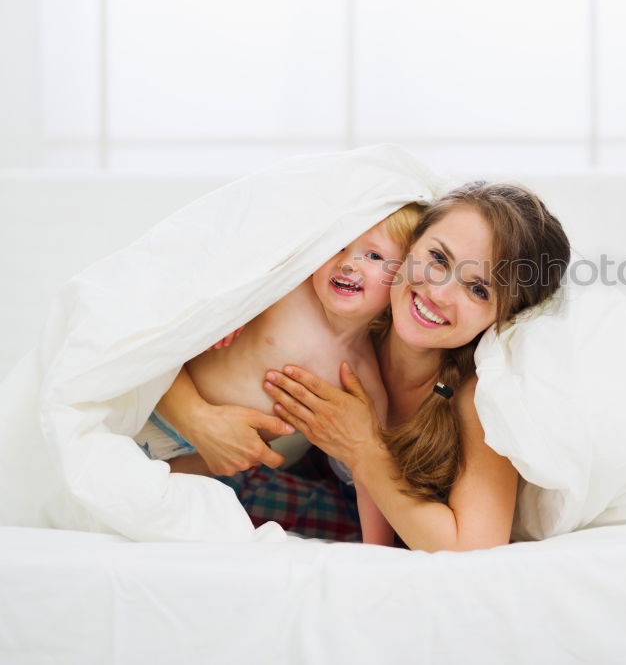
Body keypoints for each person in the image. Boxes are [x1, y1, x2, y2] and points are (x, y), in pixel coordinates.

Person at [162, 181, 571, 551]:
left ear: (504, 317)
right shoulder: (349, 310)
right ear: (408, 248)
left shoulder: (476, 397)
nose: (440, 293)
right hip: (283, 472)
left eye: (479, 289)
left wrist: (364, 450)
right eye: (437, 258)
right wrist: (198, 415)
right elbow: (158, 341)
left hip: (394, 528)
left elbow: (474, 551)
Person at [138, 203, 423, 545]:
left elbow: (367, 472)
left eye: (374, 256)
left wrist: (376, 550)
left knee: (173, 507)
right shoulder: (285, 290)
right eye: (338, 247)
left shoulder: (361, 378)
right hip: (154, 411)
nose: (347, 262)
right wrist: (227, 309)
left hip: (202, 470)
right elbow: (218, 277)